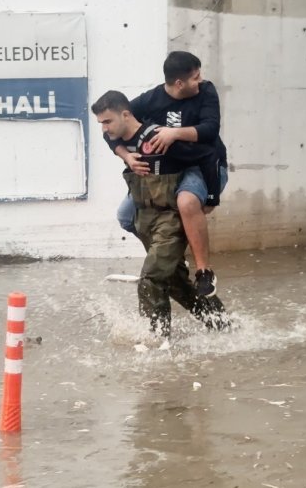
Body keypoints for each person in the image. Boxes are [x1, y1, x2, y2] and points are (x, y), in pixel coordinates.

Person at [93, 91, 227, 339]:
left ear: (125, 114)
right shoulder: (119, 141)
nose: (103, 128)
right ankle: (222, 325)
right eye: (101, 122)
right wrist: (126, 157)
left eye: (107, 121)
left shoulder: (157, 139)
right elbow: (110, 140)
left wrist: (211, 198)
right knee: (174, 282)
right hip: (146, 219)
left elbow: (207, 155)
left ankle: (156, 341)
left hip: (170, 217)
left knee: (152, 279)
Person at [109, 51, 228, 299]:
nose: (201, 79)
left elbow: (210, 130)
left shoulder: (206, 91)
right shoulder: (150, 100)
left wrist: (174, 133)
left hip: (205, 166)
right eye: (195, 77)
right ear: (178, 84)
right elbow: (113, 129)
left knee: (186, 201)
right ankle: (169, 256)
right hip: (170, 172)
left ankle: (204, 272)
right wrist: (127, 157)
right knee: (125, 216)